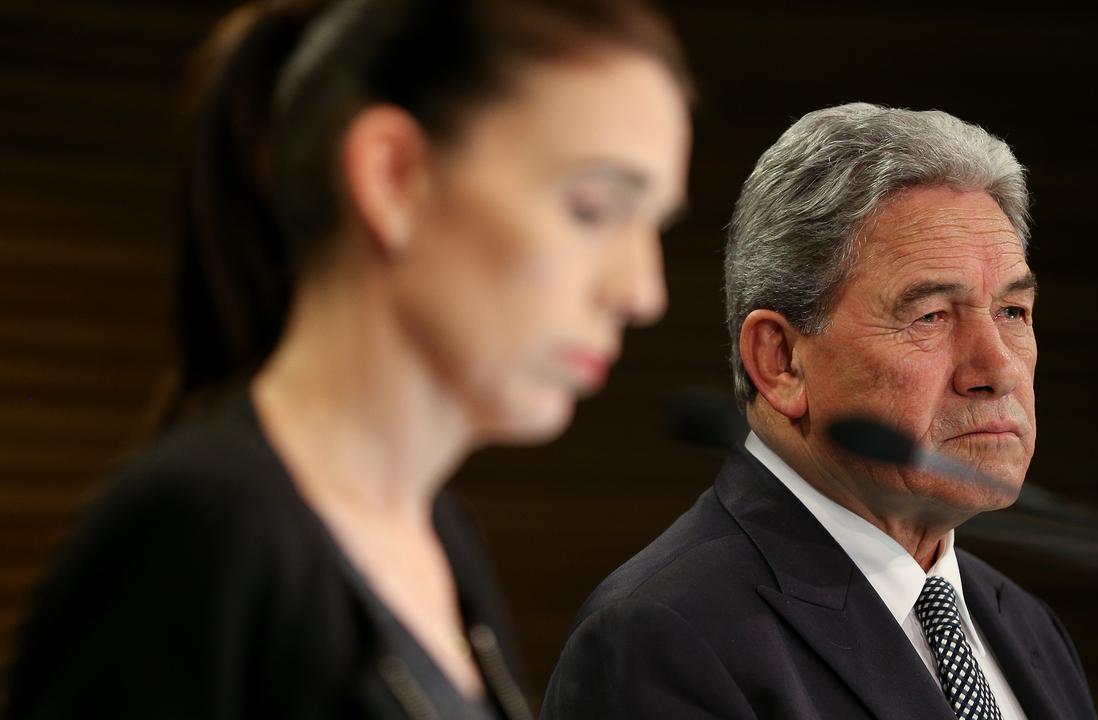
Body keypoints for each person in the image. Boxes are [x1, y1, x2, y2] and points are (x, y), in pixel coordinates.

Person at [6, 0, 690, 717]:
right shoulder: (198, 530)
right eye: (592, 207)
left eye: (653, 227)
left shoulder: (438, 538)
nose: (642, 293)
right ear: (395, 176)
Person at [542, 103, 1098, 720]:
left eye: (1012, 313)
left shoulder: (1025, 627)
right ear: (780, 362)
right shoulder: (664, 636)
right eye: (931, 316)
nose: (997, 370)